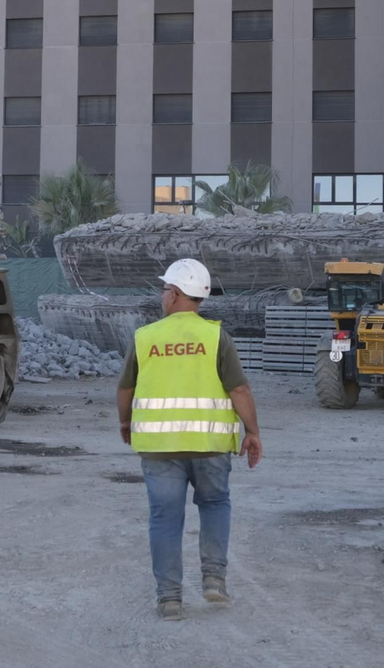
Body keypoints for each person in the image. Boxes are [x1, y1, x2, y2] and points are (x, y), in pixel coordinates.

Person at [116, 258, 262, 621]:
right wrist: (253, 432)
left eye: (165, 289)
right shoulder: (216, 337)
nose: (162, 294)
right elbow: (239, 389)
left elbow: (125, 388)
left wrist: (125, 422)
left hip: (159, 449)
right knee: (214, 505)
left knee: (165, 519)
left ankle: (169, 600)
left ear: (177, 294)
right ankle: (214, 580)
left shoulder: (146, 337)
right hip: (210, 446)